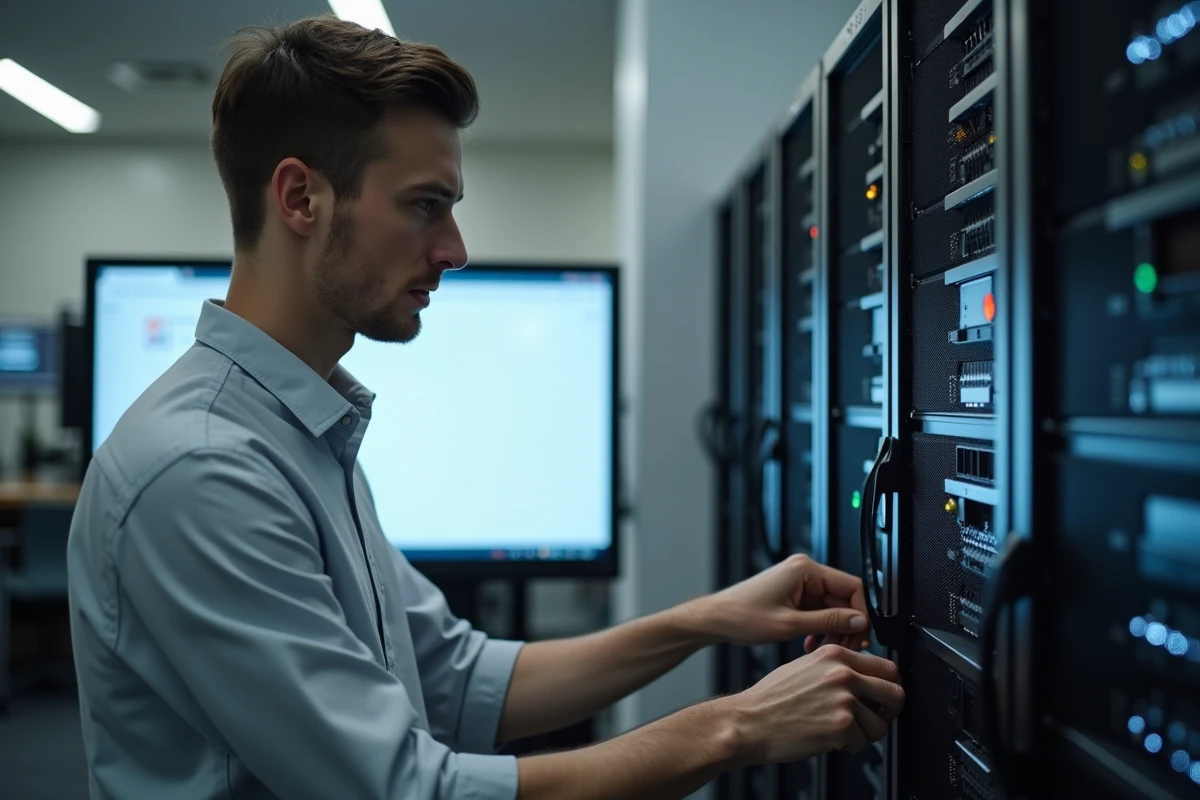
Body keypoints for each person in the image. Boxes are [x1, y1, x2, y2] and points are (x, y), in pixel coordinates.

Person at [66, 15, 904, 800]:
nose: (455, 251)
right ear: (300, 199)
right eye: (425, 206)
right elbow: (405, 790)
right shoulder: (206, 468)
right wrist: (739, 725)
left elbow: (460, 680)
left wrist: (707, 620)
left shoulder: (299, 432)